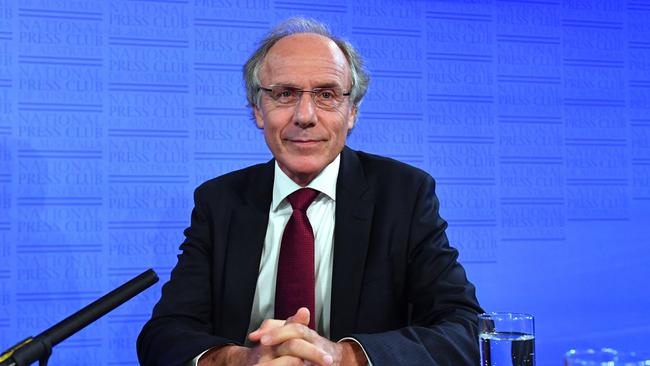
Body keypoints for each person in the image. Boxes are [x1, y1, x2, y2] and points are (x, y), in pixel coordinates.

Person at [137, 17, 483, 366]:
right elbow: (164, 335)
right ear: (258, 110)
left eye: (327, 95)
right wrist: (239, 360)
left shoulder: (404, 195)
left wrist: (344, 356)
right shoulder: (220, 201)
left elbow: (465, 330)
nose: (305, 116)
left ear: (352, 112)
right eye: (285, 94)